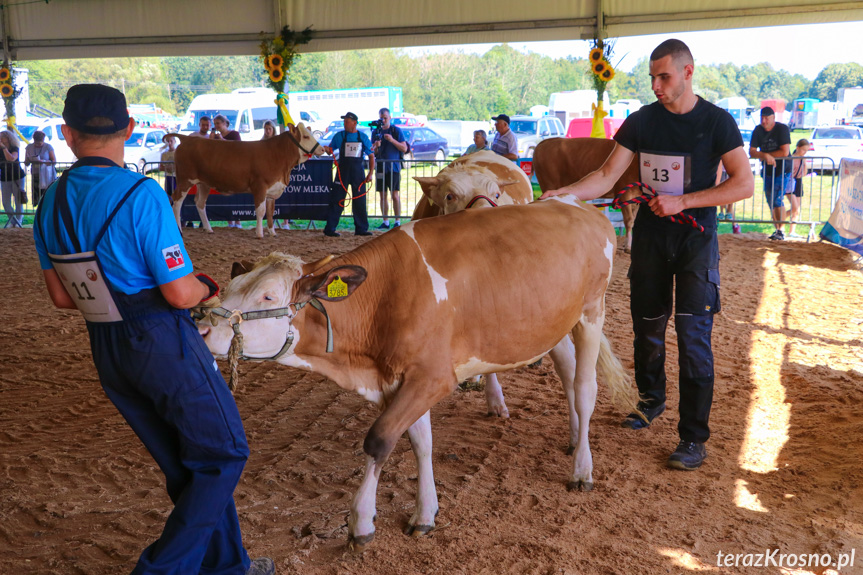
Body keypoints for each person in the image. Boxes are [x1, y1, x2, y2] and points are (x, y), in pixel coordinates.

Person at [32, 84, 274, 575]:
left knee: (190, 467)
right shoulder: (141, 194)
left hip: (107, 346)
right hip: (160, 340)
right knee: (225, 453)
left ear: (67, 134)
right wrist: (207, 284)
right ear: (129, 129)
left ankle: (229, 567)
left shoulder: (50, 202)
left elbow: (61, 298)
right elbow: (179, 293)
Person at [540, 39, 753, 471]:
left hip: (696, 243)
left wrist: (685, 202)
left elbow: (744, 184)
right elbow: (605, 176)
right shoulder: (641, 121)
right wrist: (563, 193)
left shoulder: (717, 122)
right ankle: (650, 400)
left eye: (664, 77)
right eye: (652, 77)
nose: (656, 85)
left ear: (688, 72)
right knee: (647, 330)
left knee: (694, 341)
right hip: (652, 240)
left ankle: (693, 438)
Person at [323, 111, 374, 237]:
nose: (344, 123)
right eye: (344, 121)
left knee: (360, 200)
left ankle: (361, 228)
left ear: (354, 123)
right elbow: (330, 150)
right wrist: (325, 149)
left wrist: (370, 174)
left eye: (347, 121)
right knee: (337, 199)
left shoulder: (362, 137)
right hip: (342, 171)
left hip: (358, 172)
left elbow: (372, 156)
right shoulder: (339, 136)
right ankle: (330, 229)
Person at [749, 106, 791, 240]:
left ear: (773, 118)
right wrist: (766, 156)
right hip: (767, 170)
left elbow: (784, 152)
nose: (764, 121)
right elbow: (752, 151)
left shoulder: (782, 129)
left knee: (778, 198)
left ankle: (781, 230)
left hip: (782, 169)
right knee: (770, 199)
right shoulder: (757, 130)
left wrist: (765, 155)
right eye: (762, 118)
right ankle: (777, 229)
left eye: (767, 118)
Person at [371, 107, 408, 229]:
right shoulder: (376, 132)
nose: (383, 120)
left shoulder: (396, 131)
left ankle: (397, 221)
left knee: (395, 195)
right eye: (381, 118)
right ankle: (385, 221)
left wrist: (392, 140)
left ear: (390, 118)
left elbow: (404, 148)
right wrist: (376, 146)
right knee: (382, 195)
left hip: (394, 168)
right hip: (381, 167)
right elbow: (373, 152)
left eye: (385, 118)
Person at [211, 114, 243, 228]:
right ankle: (230, 220)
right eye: (214, 124)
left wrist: (222, 140)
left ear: (225, 123)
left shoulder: (234, 134)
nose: (216, 126)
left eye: (218, 123)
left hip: (234, 166)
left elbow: (239, 147)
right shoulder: (214, 136)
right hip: (221, 167)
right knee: (225, 193)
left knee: (236, 193)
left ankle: (238, 220)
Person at [261, 120, 289, 230]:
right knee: (266, 199)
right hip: (265, 174)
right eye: (266, 129)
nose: (267, 131)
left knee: (276, 198)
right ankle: (268, 223)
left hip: (277, 175)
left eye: (269, 129)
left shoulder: (278, 142)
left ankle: (284, 222)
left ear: (273, 130)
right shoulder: (261, 143)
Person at [24, 130, 57, 207]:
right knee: (36, 194)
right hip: (35, 174)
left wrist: (44, 161)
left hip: (46, 175)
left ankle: (47, 207)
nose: (38, 145)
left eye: (40, 143)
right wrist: (29, 159)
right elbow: (26, 162)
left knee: (47, 193)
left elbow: (54, 161)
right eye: (36, 143)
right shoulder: (29, 147)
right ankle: (37, 208)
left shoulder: (48, 147)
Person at [0, 129, 26, 228]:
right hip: (4, 178)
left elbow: (11, 158)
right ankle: (13, 221)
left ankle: (18, 222)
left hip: (17, 177)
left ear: (8, 138)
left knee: (18, 200)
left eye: (2, 136)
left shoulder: (14, 147)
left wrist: (4, 148)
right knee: (5, 202)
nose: (1, 138)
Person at [786, 138, 810, 238]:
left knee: (796, 209)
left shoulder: (802, 159)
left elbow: (804, 173)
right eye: (803, 150)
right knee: (795, 207)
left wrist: (804, 163)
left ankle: (792, 231)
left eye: (806, 151)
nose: (804, 152)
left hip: (799, 182)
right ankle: (779, 218)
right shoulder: (791, 158)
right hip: (791, 181)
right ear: (797, 148)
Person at [159, 134, 177, 199]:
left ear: (174, 141)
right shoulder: (164, 154)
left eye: (171, 141)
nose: (169, 143)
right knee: (168, 195)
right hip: (168, 177)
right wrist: (168, 168)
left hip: (176, 177)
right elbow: (160, 167)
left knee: (176, 194)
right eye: (168, 141)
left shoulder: (178, 153)